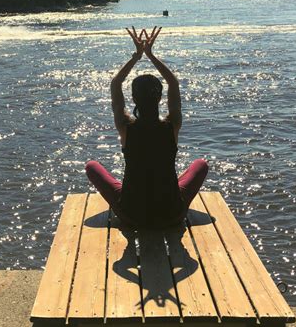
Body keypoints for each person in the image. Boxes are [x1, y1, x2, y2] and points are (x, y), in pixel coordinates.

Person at [85, 26, 208, 228]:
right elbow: (173, 83)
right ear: (160, 98)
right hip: (172, 214)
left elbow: (116, 84)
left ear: (133, 98)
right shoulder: (172, 125)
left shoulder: (125, 127)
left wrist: (136, 57)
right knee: (200, 164)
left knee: (92, 166)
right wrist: (151, 56)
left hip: (132, 215)